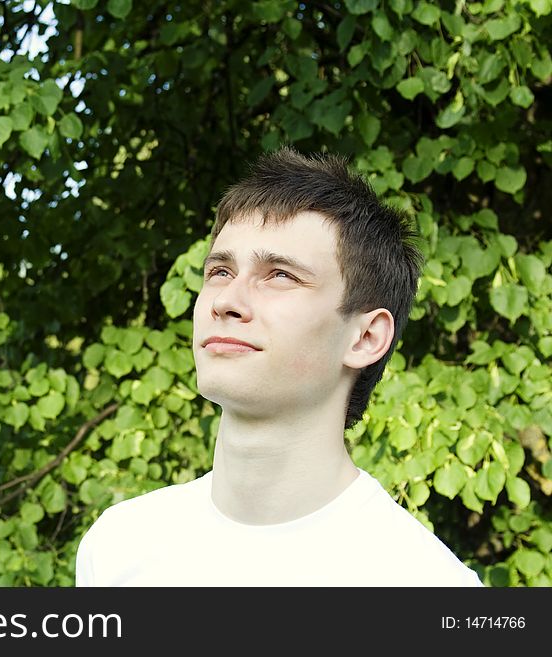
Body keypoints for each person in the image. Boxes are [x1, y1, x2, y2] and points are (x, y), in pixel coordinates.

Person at [75, 148, 483, 586]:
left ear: (365, 338)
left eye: (281, 276)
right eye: (219, 271)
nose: (228, 301)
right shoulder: (119, 547)